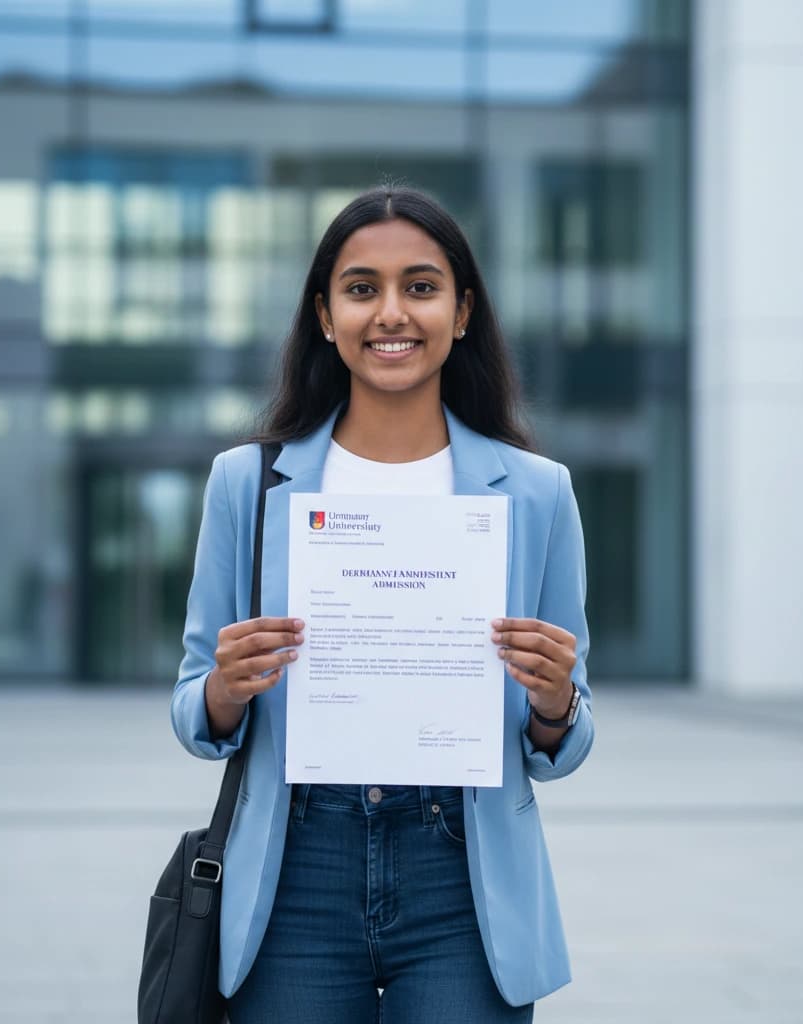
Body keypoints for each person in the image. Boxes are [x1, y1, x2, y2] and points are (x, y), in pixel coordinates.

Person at [170, 185, 595, 1023]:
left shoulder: (537, 494)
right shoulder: (247, 485)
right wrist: (227, 688)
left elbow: (567, 737)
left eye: (422, 286)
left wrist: (553, 701)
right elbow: (193, 711)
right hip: (296, 869)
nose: (391, 313)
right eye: (362, 288)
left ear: (462, 311)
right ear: (325, 316)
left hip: (463, 874)